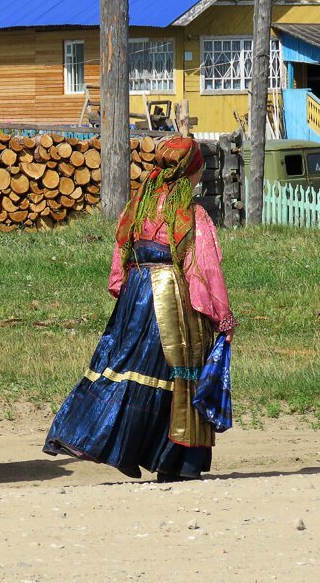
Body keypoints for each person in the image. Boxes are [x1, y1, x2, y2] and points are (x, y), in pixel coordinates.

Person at [43, 136, 237, 482]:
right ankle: (176, 463)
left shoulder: (139, 207)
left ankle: (122, 446)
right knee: (181, 375)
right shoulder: (192, 214)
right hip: (171, 298)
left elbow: (120, 261)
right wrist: (221, 315)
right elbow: (203, 268)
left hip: (136, 296)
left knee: (127, 368)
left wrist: (127, 292)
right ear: (191, 171)